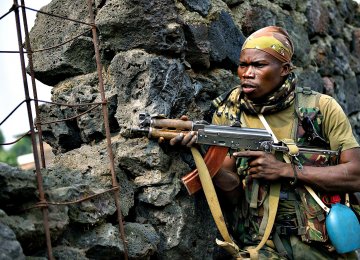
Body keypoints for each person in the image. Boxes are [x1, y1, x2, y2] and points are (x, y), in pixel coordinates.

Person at [170, 26, 360, 259]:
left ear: (284, 69)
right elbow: (232, 194)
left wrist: (285, 170)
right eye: (243, 65)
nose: (247, 73)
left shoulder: (322, 108)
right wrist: (203, 157)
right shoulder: (230, 113)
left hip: (321, 244)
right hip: (260, 245)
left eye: (258, 65)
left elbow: (355, 174)